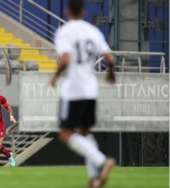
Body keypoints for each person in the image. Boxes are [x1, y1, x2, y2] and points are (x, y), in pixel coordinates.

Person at [49, 0, 116, 187]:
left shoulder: (64, 31)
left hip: (73, 90)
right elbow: (110, 58)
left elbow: (65, 58)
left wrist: (54, 76)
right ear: (84, 12)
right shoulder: (92, 31)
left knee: (65, 134)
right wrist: (110, 74)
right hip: (90, 89)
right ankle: (95, 179)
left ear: (67, 11)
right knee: (86, 134)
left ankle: (102, 161)